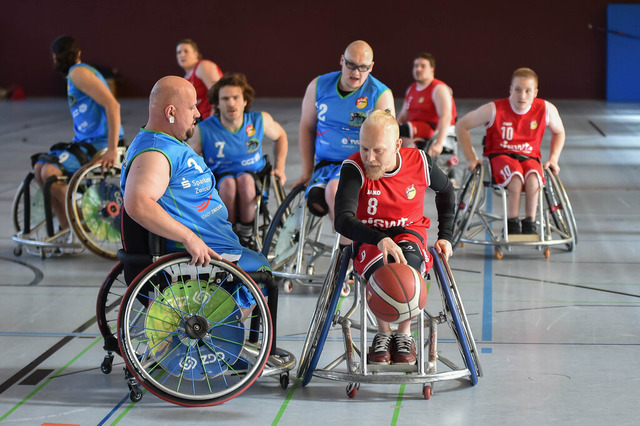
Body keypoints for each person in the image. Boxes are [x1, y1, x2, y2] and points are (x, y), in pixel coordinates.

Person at [120, 76, 270, 312]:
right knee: (262, 272)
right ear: (171, 112)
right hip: (201, 260)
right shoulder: (155, 153)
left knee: (259, 263)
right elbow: (138, 203)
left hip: (216, 250)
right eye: (191, 107)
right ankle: (226, 329)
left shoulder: (168, 142)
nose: (198, 114)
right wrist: (189, 238)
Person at [334, 110, 455, 365]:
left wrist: (445, 236)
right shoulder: (354, 168)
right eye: (364, 149)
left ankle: (404, 335)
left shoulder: (420, 162)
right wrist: (379, 238)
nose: (370, 158)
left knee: (406, 269)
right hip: (370, 235)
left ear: (398, 145)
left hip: (409, 232)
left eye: (378, 151)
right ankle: (383, 332)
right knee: (383, 270)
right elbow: (342, 220)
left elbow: (446, 191)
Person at [297, 40, 395, 231]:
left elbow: (387, 140)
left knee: (335, 191)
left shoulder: (380, 94)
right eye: (351, 64)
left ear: (371, 67)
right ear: (342, 60)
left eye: (363, 67)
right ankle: (345, 236)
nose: (356, 72)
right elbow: (306, 127)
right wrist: (307, 171)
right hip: (326, 163)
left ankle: (346, 244)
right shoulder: (318, 86)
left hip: (359, 164)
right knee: (316, 201)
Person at [456, 67, 566, 234]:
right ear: (510, 89)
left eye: (528, 91)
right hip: (500, 156)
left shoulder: (546, 109)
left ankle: (530, 222)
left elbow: (559, 132)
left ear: (535, 93)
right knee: (515, 178)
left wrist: (554, 158)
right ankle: (512, 222)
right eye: (518, 90)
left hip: (529, 157)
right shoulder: (494, 109)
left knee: (534, 179)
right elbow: (461, 125)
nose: (522, 96)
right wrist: (470, 158)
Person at [33, 35, 123, 231]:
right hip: (85, 141)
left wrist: (112, 149)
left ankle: (83, 218)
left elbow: (113, 105)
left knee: (49, 172)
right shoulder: (76, 74)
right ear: (78, 52)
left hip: (100, 142)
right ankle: (66, 226)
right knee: (39, 167)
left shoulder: (78, 72)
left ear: (56, 57)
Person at [188, 73, 288, 248]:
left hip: (254, 179)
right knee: (228, 184)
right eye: (225, 99)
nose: (231, 103)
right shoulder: (203, 129)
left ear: (245, 100)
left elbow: (280, 136)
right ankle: (229, 233)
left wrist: (279, 167)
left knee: (245, 180)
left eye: (235, 98)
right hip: (218, 183)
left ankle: (247, 237)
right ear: (217, 103)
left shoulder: (259, 120)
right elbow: (187, 160)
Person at [397, 52, 457, 156]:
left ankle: (410, 158)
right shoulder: (411, 88)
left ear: (432, 69)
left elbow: (446, 116)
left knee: (404, 130)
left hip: (431, 129)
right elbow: (403, 116)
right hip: (414, 128)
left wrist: (439, 143)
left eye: (423, 66)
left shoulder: (439, 89)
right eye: (416, 66)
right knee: (395, 130)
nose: (418, 69)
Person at [176, 38, 222, 119]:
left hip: (214, 119)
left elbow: (218, 93)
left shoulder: (203, 66)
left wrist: (212, 120)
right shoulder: (185, 79)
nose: (182, 55)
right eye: (179, 52)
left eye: (186, 51)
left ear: (195, 54)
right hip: (201, 120)